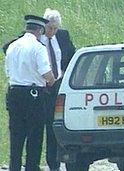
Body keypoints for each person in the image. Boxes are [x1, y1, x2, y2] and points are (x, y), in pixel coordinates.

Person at [5, 15, 55, 171]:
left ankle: (14, 167)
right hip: (33, 95)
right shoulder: (38, 47)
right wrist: (52, 81)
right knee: (35, 136)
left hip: (14, 93)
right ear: (39, 30)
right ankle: (31, 167)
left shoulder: (12, 46)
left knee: (16, 136)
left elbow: (8, 71)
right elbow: (46, 73)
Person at [40, 8, 75, 171]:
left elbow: (71, 57)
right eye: (50, 28)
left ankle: (59, 161)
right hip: (41, 88)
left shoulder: (62, 36)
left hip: (59, 86)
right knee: (45, 125)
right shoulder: (34, 38)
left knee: (58, 125)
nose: (52, 32)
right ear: (44, 25)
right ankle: (51, 163)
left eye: (55, 28)